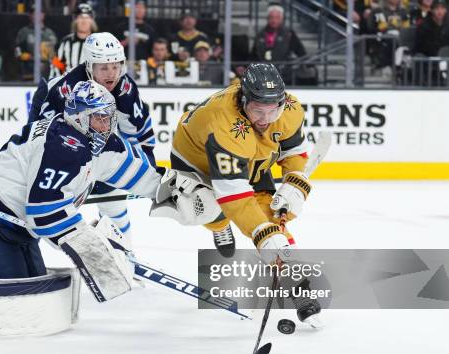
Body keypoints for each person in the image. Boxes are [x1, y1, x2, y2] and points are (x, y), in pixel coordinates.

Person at [0, 81, 161, 285]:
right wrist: (90, 246)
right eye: (99, 118)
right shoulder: (64, 144)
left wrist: (171, 188)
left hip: (16, 227)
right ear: (80, 116)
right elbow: (44, 213)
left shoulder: (91, 141)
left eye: (109, 118)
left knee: (37, 289)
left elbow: (133, 169)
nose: (106, 126)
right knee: (14, 296)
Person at [168, 62, 321, 326]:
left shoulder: (291, 109)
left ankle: (299, 288)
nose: (264, 119)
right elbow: (235, 195)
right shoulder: (223, 122)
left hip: (250, 155)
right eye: (257, 110)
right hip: (197, 161)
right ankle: (218, 227)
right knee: (213, 209)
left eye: (272, 111)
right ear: (243, 99)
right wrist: (262, 234)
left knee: (271, 219)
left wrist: (295, 182)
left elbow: (294, 150)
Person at [27, 32, 156, 247]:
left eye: (116, 66)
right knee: (46, 213)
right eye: (104, 67)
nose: (112, 74)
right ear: (89, 66)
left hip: (96, 148)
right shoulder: (63, 91)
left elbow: (140, 132)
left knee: (114, 207)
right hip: (63, 154)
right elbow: (40, 140)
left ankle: (127, 260)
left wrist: (147, 175)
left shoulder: (125, 88)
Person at [251, 4, 307, 85]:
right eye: (271, 17)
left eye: (277, 18)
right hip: (263, 75)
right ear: (268, 18)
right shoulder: (260, 34)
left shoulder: (289, 34)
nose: (274, 20)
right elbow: (253, 55)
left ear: (282, 19)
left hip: (284, 75)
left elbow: (301, 52)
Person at [50, 3, 98, 78]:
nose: (84, 21)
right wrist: (55, 84)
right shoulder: (66, 42)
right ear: (75, 20)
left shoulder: (98, 42)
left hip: (94, 87)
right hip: (69, 86)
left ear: (92, 20)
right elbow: (56, 65)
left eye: (87, 17)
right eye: (80, 17)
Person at [14, 6, 58, 80]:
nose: (36, 15)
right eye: (34, 13)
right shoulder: (24, 32)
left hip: (48, 71)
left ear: (43, 15)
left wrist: (57, 63)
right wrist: (26, 57)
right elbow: (17, 52)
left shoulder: (50, 33)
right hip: (29, 71)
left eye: (39, 13)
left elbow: (56, 54)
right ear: (30, 16)